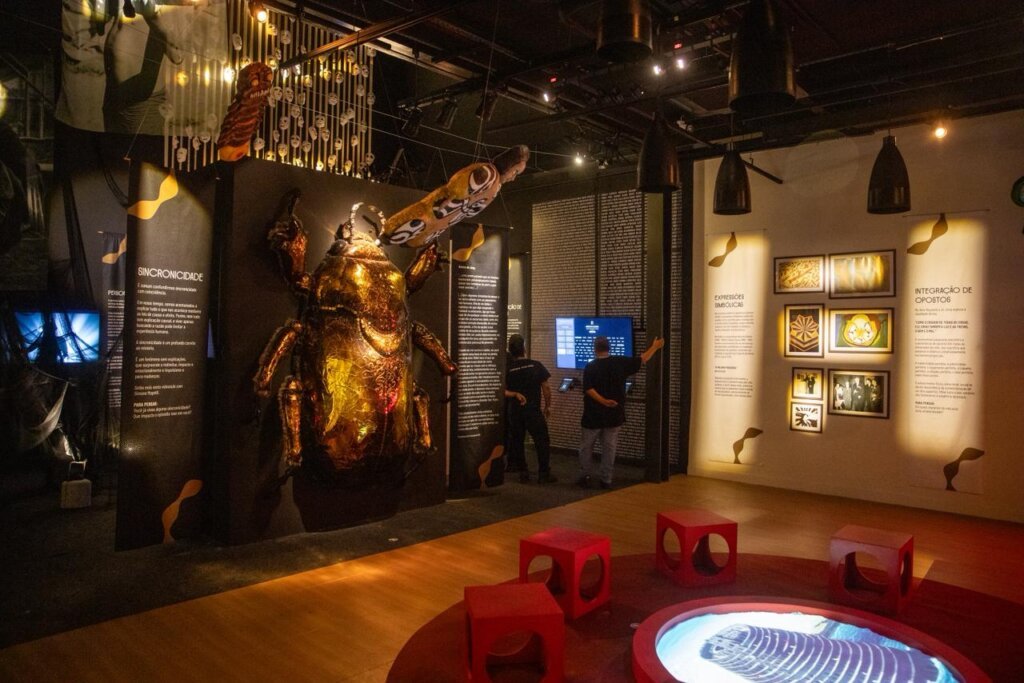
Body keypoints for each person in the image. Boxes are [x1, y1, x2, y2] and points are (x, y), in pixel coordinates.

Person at [577, 334, 664, 489]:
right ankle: (606, 479)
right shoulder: (620, 363)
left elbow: (589, 389)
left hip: (592, 415)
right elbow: (643, 359)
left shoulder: (590, 366)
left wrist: (603, 401)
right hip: (614, 414)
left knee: (586, 448)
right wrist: (655, 346)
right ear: (609, 348)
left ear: (594, 349)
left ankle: (585, 476)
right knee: (609, 449)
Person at [503, 334, 556, 483]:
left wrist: (514, 394)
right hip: (533, 411)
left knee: (517, 442)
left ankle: (523, 473)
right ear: (524, 348)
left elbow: (501, 391)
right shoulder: (536, 365)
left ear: (510, 350)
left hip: (515, 412)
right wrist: (547, 406)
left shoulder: (508, 369)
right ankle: (544, 473)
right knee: (542, 441)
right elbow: (546, 387)